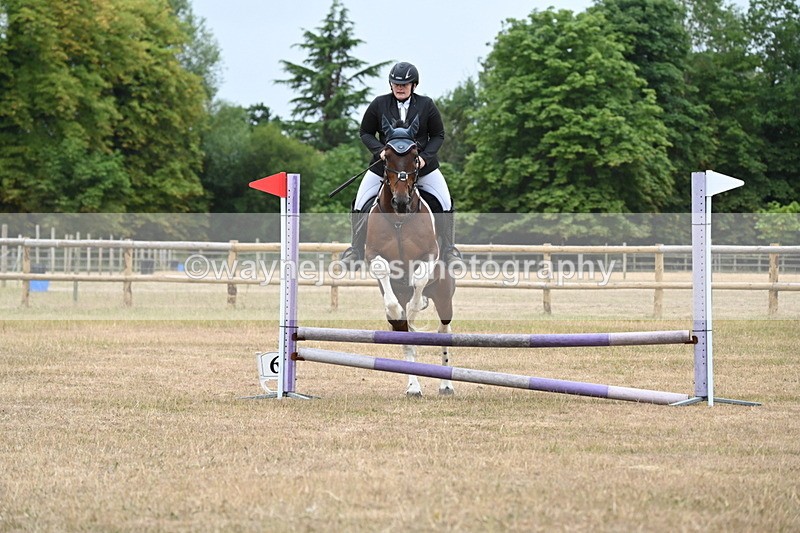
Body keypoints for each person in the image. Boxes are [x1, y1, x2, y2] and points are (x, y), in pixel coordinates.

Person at [340, 61, 462, 269]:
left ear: (414, 85)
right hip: (386, 168)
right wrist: (379, 151)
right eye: (396, 83)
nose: (400, 87)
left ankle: (449, 249)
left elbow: (438, 135)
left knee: (444, 202)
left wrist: (425, 158)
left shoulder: (426, 105)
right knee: (360, 202)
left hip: (421, 168)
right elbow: (365, 132)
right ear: (390, 84)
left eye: (404, 84)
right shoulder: (379, 104)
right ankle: (356, 250)